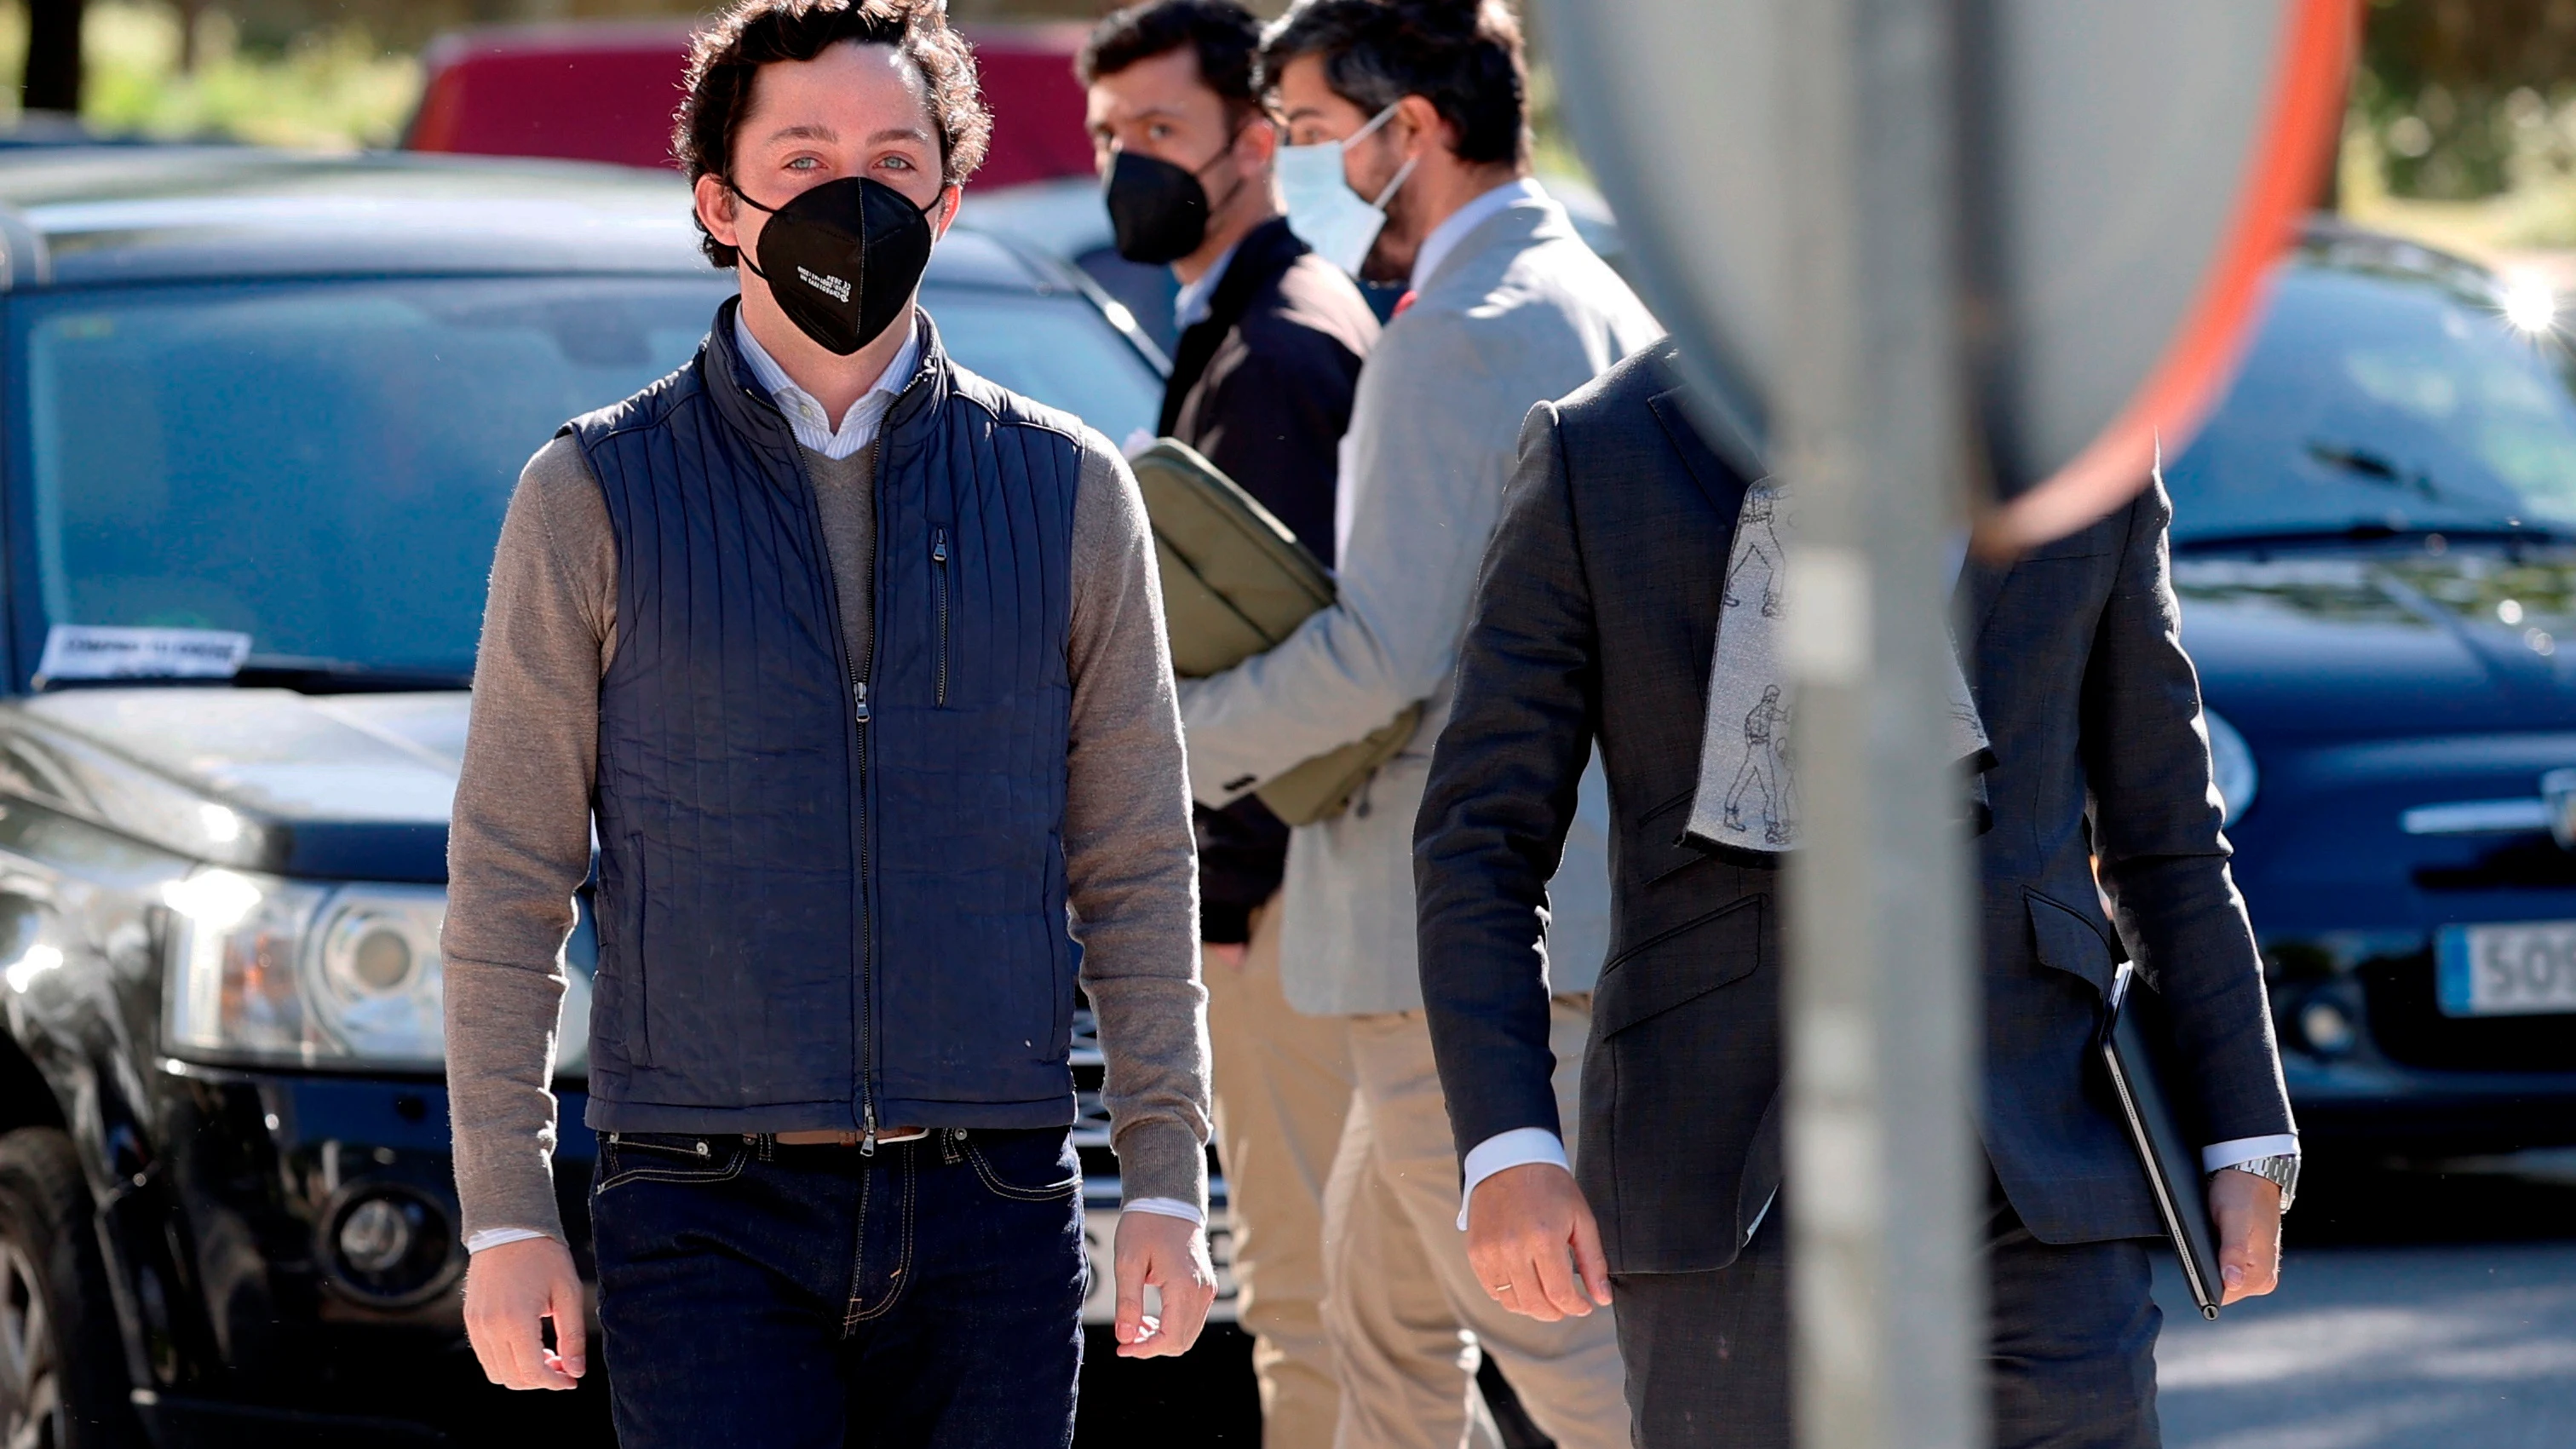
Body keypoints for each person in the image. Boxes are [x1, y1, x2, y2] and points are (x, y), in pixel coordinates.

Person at [440, 3, 1216, 1444]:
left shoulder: (1070, 493)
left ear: (948, 196)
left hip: (995, 1205)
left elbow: (1136, 861)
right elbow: (508, 876)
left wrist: (1162, 1177)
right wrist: (504, 1212)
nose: (851, 194)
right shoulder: (592, 493)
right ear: (720, 205)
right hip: (700, 1208)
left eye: (892, 157)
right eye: (802, 159)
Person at [1412, 337, 2298, 1446]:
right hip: (1725, 1163)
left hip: (2032, 1156)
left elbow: (2165, 828)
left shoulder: (2084, 431)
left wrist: (2242, 1130)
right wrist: (1509, 1147)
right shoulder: (1600, 451)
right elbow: (1480, 840)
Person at [1174, 2, 1659, 1444]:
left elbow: (1386, 653)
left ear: (1415, 131)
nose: (1295, 170)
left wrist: (1158, 738)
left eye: (1313, 135)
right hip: (1529, 924)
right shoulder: (1590, 296)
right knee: (1380, 1345)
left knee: (1589, 1374)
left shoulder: (1457, 333)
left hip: (1446, 945)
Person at [1080, 4, 1381, 1442]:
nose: (1127, 166)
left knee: (1314, 1301)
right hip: (1278, 911)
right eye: (1108, 137)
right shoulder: (1243, 326)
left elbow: (1306, 653)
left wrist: (1228, 897)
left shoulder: (1280, 357)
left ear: (1255, 144)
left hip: (1273, 923)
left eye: (1160, 134)